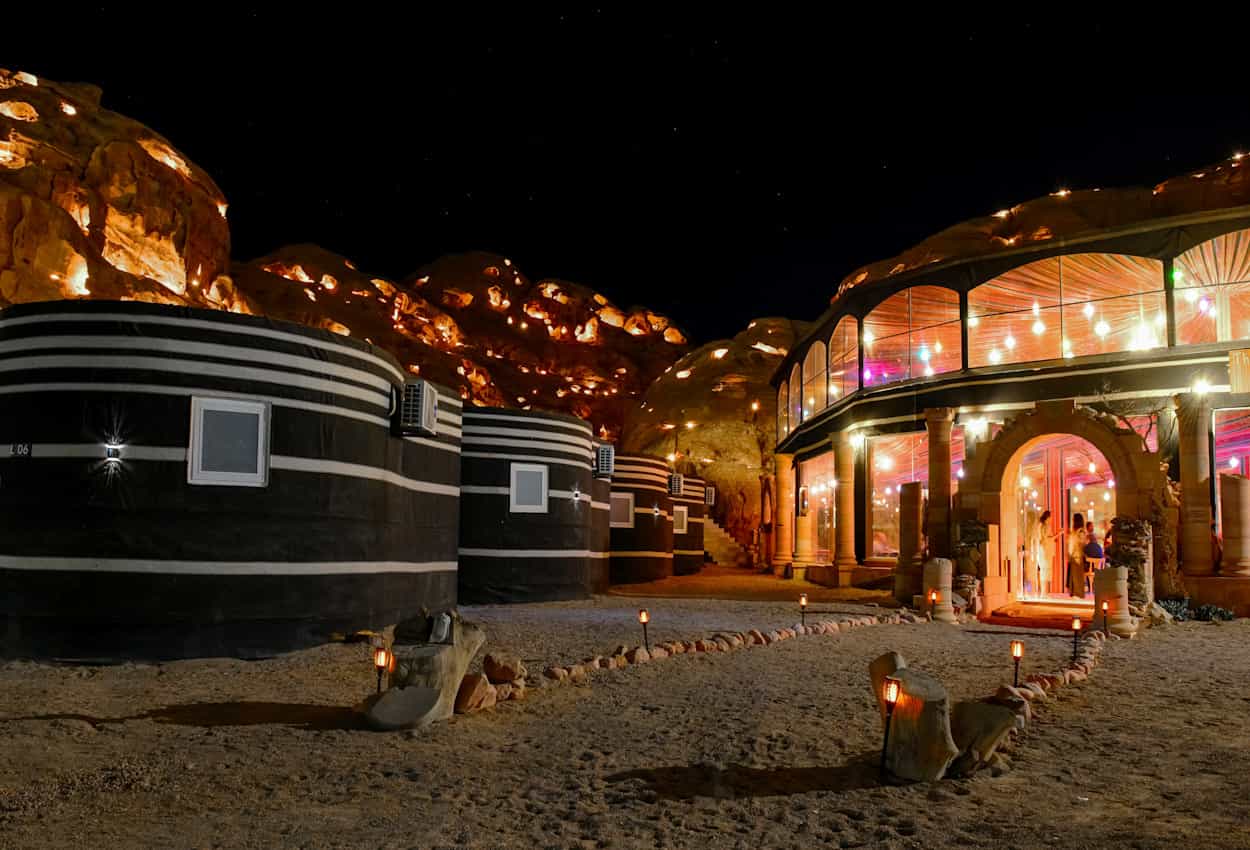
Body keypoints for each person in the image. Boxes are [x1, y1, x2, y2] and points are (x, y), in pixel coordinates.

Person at [1068, 512, 1087, 597]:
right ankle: (1074, 592)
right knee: (1073, 575)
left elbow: (1082, 542)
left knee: (1077, 576)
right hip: (1073, 555)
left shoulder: (1080, 531)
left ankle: (1078, 593)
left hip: (1077, 555)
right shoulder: (1074, 531)